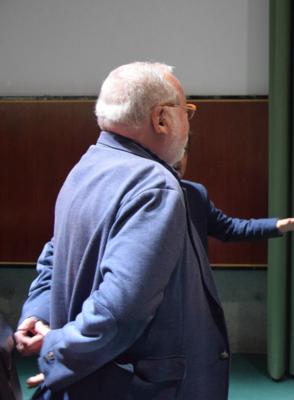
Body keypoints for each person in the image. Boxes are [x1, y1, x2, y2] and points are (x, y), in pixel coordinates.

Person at [14, 61, 230, 399]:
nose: (189, 122)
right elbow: (120, 310)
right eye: (186, 111)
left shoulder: (86, 167)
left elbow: (54, 256)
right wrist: (58, 350)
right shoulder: (154, 184)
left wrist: (37, 312)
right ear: (161, 118)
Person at [173, 143, 294, 250]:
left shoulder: (196, 193)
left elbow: (230, 228)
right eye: (173, 148)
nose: (179, 158)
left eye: (184, 149)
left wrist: (279, 225)